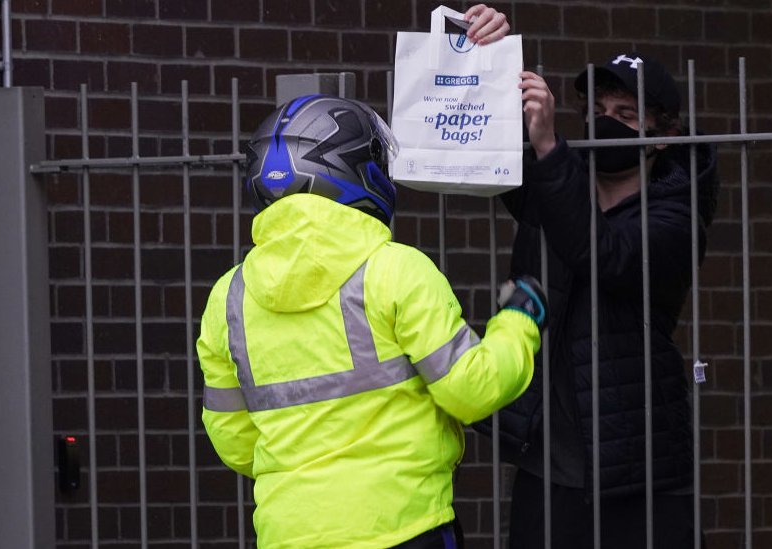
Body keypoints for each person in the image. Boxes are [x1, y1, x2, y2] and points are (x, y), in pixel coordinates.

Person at [196, 93, 548, 547]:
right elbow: (472, 390)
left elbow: (235, 442)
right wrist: (519, 322)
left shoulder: (228, 298)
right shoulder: (394, 269)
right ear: (358, 171)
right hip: (404, 526)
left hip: (289, 532)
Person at [476, 34, 720, 549]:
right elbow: (480, 147)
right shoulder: (553, 187)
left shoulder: (676, 217)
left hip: (638, 467)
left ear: (661, 135)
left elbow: (604, 253)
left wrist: (548, 148)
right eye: (599, 109)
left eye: (627, 113)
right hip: (548, 463)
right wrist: (487, 45)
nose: (606, 121)